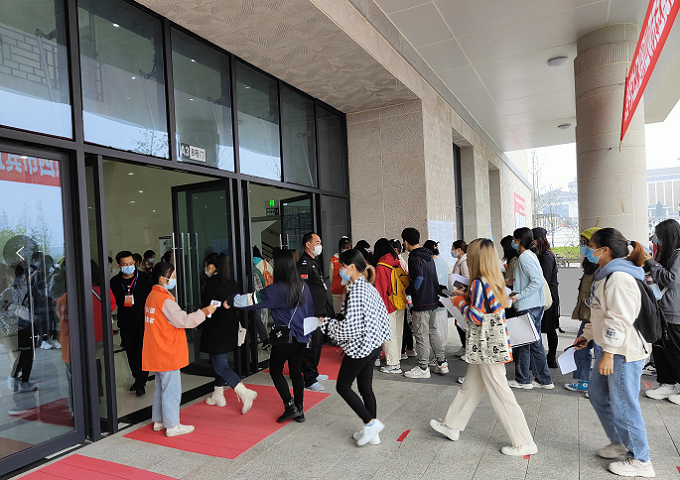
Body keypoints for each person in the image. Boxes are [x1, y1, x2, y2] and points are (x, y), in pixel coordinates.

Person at [430, 239, 537, 456]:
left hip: (486, 346)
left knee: (499, 391)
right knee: (470, 387)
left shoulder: (479, 283)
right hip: (490, 345)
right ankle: (452, 425)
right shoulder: (494, 280)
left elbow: (476, 316)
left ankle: (523, 441)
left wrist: (459, 302)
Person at [572, 228, 654, 478]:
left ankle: (641, 459)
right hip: (608, 347)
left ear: (604, 250)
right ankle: (620, 442)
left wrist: (608, 353)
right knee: (597, 395)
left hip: (623, 351)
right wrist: (588, 335)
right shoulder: (605, 274)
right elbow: (600, 312)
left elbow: (619, 319)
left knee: (624, 405)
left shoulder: (619, 277)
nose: (587, 250)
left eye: (590, 246)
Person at [227, 250, 313, 422]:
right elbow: (310, 311)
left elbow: (251, 300)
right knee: (296, 372)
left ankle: (290, 405)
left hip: (285, 337)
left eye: (274, 262)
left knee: (275, 370)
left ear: (280, 266)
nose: (272, 264)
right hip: (302, 337)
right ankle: (300, 409)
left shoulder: (275, 289)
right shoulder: (304, 286)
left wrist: (230, 301)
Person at [320, 249, 391, 446]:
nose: (339, 271)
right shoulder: (368, 287)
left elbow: (349, 329)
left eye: (342, 267)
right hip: (373, 345)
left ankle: (371, 424)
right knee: (366, 388)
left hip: (360, 347)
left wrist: (325, 324)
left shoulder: (357, 291)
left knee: (343, 386)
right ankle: (372, 433)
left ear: (351, 267)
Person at [143, 262, 216, 437]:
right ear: (163, 279)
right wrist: (205, 311)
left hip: (157, 349)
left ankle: (159, 420)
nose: (175, 280)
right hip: (167, 351)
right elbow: (184, 321)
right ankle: (172, 425)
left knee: (160, 387)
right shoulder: (165, 300)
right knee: (172, 389)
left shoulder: (152, 296)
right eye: (173, 276)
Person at [200, 254, 257, 413]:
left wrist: (197, 323)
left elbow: (208, 309)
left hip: (216, 328)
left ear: (211, 266)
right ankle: (218, 395)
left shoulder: (211, 283)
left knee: (220, 366)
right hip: (230, 326)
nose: (205, 269)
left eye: (206, 265)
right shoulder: (232, 282)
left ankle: (244, 393)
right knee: (220, 363)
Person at [507, 227, 554, 390]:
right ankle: (543, 379)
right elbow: (532, 279)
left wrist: (519, 295)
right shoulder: (530, 255)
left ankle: (524, 380)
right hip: (534, 305)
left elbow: (537, 281)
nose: (513, 242)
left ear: (519, 240)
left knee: (523, 344)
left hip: (528, 305)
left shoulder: (524, 257)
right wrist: (515, 282)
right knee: (534, 343)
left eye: (514, 239)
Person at [401, 227, 445, 379]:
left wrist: (409, 291)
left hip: (421, 302)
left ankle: (423, 367)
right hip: (432, 299)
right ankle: (442, 362)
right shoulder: (428, 254)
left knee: (420, 335)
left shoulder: (414, 257)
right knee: (432, 331)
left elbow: (418, 278)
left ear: (405, 242)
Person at [644, 219, 680, 403]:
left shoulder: (678, 255)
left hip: (674, 314)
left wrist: (651, 263)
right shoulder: (668, 255)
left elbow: (672, 279)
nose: (655, 238)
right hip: (663, 311)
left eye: (658, 235)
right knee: (661, 350)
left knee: (675, 352)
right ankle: (667, 384)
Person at [110, 250, 153, 396]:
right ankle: (137, 377)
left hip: (143, 322)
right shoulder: (115, 282)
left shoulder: (145, 279)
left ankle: (141, 382)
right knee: (130, 353)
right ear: (119, 265)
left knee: (142, 352)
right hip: (125, 323)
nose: (129, 266)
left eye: (131, 263)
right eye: (125, 264)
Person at [565, 227, 600, 394]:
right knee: (582, 348)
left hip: (598, 317)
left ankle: (597, 386)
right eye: (583, 243)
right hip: (588, 315)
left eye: (587, 244)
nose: (584, 247)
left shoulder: (604, 268)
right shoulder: (590, 264)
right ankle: (584, 381)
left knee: (598, 351)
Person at [297, 232, 331, 392]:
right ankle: (309, 378)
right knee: (311, 346)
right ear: (308, 245)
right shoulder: (304, 263)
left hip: (319, 310)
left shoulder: (313, 261)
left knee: (317, 344)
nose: (320, 245)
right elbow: (302, 290)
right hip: (310, 312)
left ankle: (314, 372)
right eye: (317, 242)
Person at [373, 238, 406, 374]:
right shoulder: (397, 262)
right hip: (399, 302)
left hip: (387, 304)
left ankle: (393, 364)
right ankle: (396, 358)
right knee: (397, 333)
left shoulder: (381, 266)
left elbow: (380, 290)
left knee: (388, 334)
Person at [531, 227, 560, 369]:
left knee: (549, 328)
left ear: (538, 240)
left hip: (547, 297)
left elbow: (544, 279)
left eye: (533, 239)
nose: (532, 242)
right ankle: (547, 357)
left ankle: (551, 357)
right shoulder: (542, 254)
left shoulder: (546, 256)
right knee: (547, 328)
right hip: (547, 296)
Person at [423, 240, 450, 375]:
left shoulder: (428, 264)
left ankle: (438, 358)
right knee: (441, 329)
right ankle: (440, 356)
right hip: (443, 301)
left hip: (432, 302)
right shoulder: (444, 263)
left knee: (434, 330)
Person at [391, 239, 416, 359]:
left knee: (402, 325)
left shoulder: (398, 262)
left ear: (395, 250)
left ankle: (403, 350)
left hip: (400, 296)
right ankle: (409, 348)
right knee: (404, 323)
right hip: (403, 296)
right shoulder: (402, 260)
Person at [451, 240, 469, 359]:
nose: (452, 251)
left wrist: (460, 288)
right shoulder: (460, 261)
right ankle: (465, 346)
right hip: (460, 294)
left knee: (461, 322)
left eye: (453, 249)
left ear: (459, 250)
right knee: (459, 321)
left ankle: (467, 348)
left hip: (464, 296)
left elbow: (467, 279)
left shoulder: (464, 262)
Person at [330, 236, 352, 313]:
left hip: (350, 293)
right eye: (344, 248)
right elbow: (331, 277)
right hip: (337, 293)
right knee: (338, 314)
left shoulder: (353, 259)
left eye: (348, 248)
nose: (345, 250)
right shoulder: (334, 260)